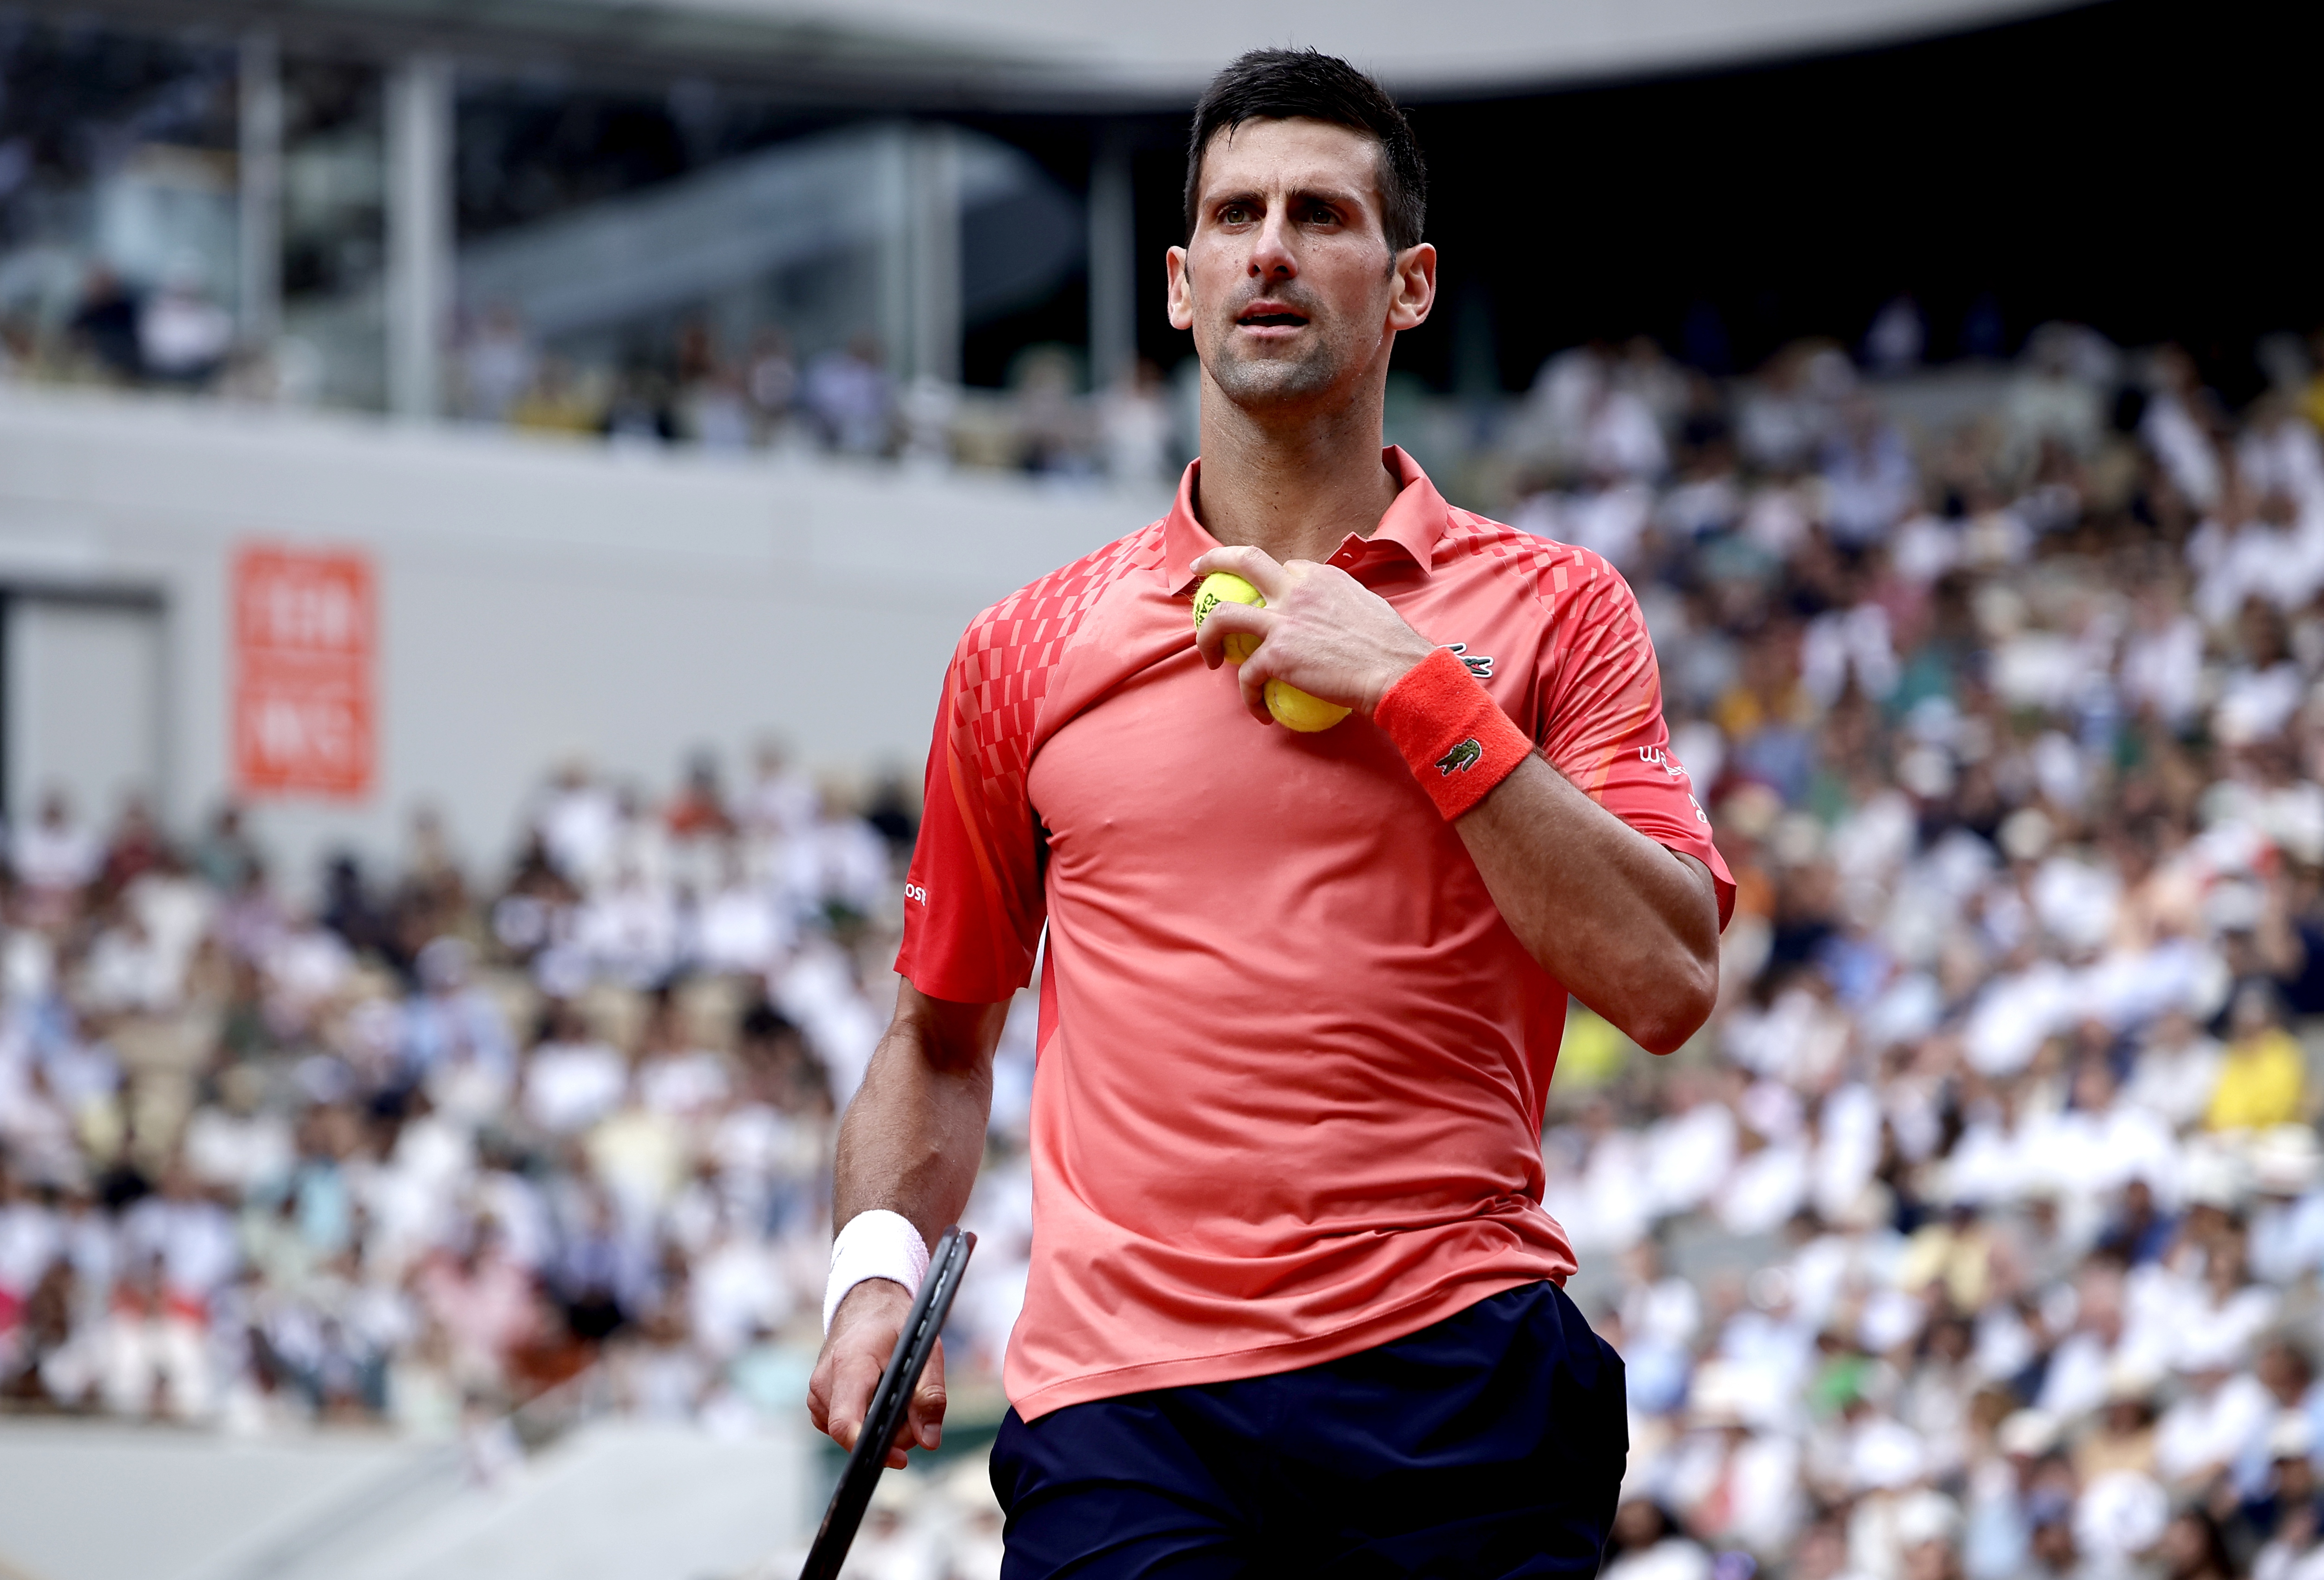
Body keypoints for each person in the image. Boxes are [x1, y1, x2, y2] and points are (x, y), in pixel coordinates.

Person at [808, 48, 1730, 1575]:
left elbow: (1666, 976)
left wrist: (1418, 693)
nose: (1271, 249)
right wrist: (869, 1277)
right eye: (1234, 216)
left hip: (1458, 1378)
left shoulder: (1559, 608)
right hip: (1130, 1413)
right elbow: (938, 1035)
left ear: (1410, 282)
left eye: (1320, 214)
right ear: (1179, 285)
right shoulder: (1023, 649)